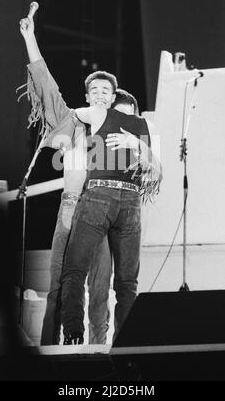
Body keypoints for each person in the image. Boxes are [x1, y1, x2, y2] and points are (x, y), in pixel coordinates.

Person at [19, 13, 148, 345]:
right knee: (59, 286)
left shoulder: (122, 133)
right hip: (72, 209)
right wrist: (30, 38)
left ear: (114, 97)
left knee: (101, 290)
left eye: (107, 90)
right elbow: (47, 87)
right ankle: (51, 354)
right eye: (95, 90)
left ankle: (98, 355)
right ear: (88, 96)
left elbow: (144, 173)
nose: (101, 94)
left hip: (106, 208)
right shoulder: (73, 121)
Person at [61, 87, 162, 344]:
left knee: (75, 269)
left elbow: (69, 113)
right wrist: (139, 143)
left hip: (100, 196)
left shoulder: (99, 113)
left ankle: (73, 333)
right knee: (127, 283)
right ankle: (126, 344)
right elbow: (158, 172)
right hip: (130, 203)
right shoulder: (146, 124)